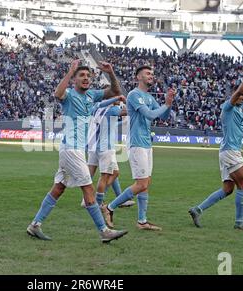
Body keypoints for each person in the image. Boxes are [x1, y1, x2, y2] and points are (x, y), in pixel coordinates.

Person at [26, 60, 128, 243]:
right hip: (71, 150)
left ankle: (35, 225)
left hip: (75, 150)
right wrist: (70, 70)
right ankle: (104, 231)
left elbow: (116, 92)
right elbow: (58, 93)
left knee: (58, 189)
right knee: (88, 190)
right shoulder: (70, 96)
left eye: (88, 76)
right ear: (74, 80)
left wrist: (111, 72)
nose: (86, 78)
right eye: (81, 75)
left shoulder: (91, 96)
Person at [188, 61, 243, 230]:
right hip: (230, 151)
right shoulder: (227, 108)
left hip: (227, 151)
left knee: (228, 189)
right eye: (241, 95)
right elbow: (239, 90)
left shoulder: (241, 107)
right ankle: (239, 222)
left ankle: (197, 209)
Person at [102, 65, 174, 231]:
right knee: (141, 183)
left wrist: (168, 104)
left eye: (152, 74)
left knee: (146, 183)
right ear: (138, 77)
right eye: (148, 73)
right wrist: (165, 105)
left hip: (147, 144)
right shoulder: (134, 95)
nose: (151, 76)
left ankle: (142, 221)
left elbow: (162, 116)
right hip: (137, 143)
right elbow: (149, 114)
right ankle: (110, 207)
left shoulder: (148, 97)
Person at [83, 95, 134, 208]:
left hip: (93, 145)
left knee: (93, 174)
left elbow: (112, 124)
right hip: (105, 147)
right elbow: (129, 111)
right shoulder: (113, 109)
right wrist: (124, 101)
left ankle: (86, 199)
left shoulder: (97, 107)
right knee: (108, 175)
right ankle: (98, 201)